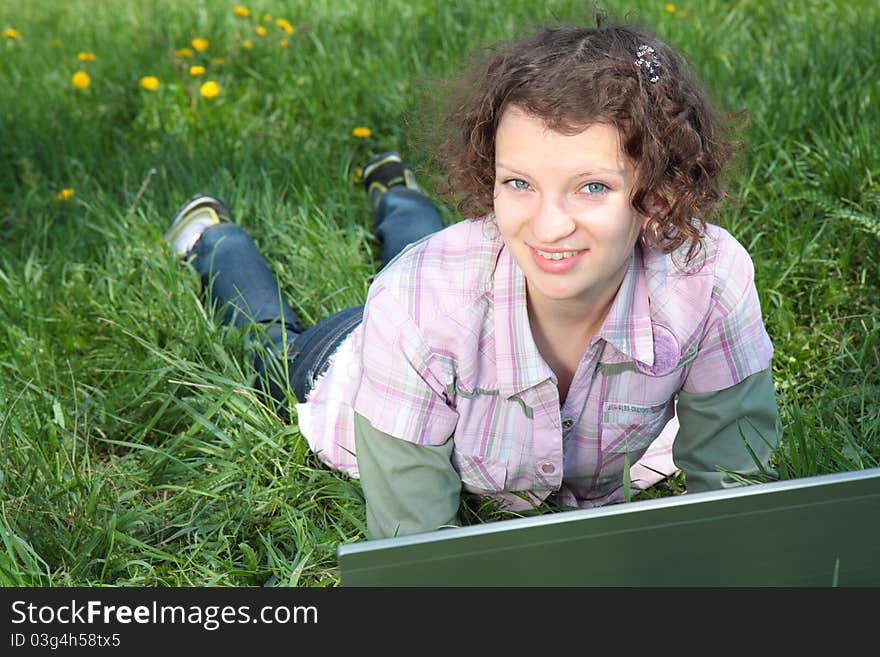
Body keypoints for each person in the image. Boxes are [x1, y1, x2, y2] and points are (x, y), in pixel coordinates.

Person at [163, 19, 780, 540]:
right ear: (490, 176)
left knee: (438, 265)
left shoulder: (709, 282)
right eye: (518, 182)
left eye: (592, 186)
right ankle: (214, 241)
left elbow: (738, 498)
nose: (549, 224)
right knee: (274, 343)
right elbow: (416, 552)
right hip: (353, 361)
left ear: (660, 193)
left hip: (446, 316)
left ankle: (395, 190)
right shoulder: (419, 302)